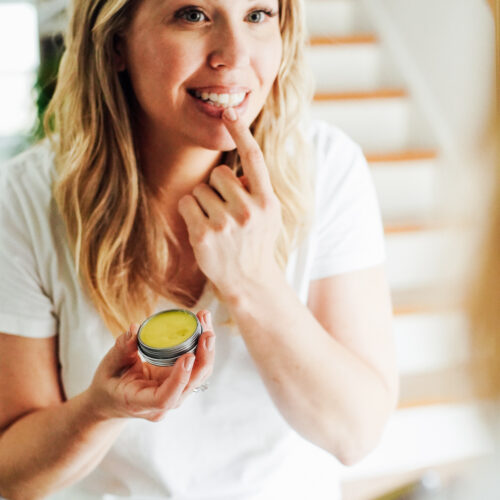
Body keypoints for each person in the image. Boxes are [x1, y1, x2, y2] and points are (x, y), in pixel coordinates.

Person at [0, 0, 398, 498]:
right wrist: (100, 410)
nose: (234, 54)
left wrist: (253, 281)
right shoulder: (26, 198)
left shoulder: (330, 169)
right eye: (192, 14)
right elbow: (12, 475)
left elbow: (355, 434)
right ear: (117, 43)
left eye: (257, 15)